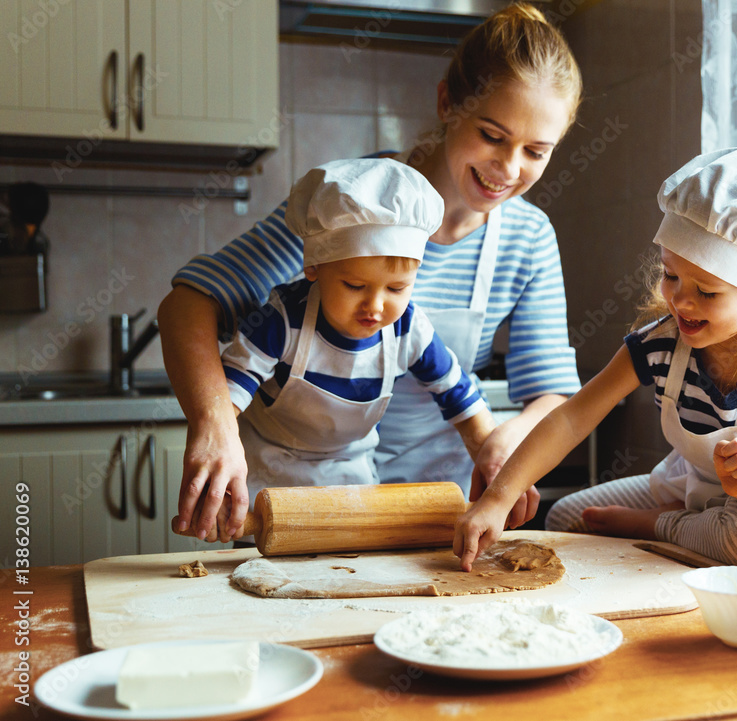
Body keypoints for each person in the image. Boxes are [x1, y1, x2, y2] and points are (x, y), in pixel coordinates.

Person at [159, 2, 583, 541]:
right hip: (307, 509)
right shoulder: (347, 205)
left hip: (435, 516)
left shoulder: (528, 237)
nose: (509, 168)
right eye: (493, 135)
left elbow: (549, 393)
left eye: (536, 151)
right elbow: (188, 303)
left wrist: (503, 438)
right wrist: (215, 425)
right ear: (447, 101)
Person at [453, 148, 737, 571]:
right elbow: (573, 418)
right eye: (671, 275)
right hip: (695, 486)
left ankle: (658, 525)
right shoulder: (660, 342)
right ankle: (689, 522)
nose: (681, 300)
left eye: (707, 291)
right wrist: (499, 498)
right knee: (565, 519)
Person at [200, 159, 496, 539]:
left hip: (352, 482)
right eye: (355, 286)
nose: (375, 306)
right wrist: (219, 470)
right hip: (265, 477)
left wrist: (495, 466)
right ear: (314, 267)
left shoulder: (408, 328)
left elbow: (460, 398)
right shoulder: (281, 320)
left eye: (396, 289)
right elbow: (228, 400)